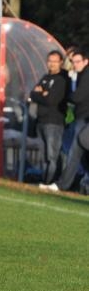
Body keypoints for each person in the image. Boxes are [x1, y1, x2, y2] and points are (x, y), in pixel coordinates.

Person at [50, 49, 89, 192]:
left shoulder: (86, 74)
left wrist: (65, 97)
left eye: (78, 61)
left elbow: (78, 96)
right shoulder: (79, 75)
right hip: (81, 118)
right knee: (78, 151)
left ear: (86, 61)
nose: (75, 64)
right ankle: (63, 184)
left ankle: (63, 184)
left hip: (84, 119)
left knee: (77, 147)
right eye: (73, 62)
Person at [30, 51, 68, 189]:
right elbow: (32, 94)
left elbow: (52, 100)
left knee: (52, 155)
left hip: (54, 122)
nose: (51, 63)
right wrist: (41, 94)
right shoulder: (46, 77)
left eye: (55, 61)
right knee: (44, 155)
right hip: (41, 121)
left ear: (61, 62)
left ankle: (52, 183)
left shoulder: (62, 79)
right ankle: (45, 181)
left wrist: (41, 94)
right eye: (49, 60)